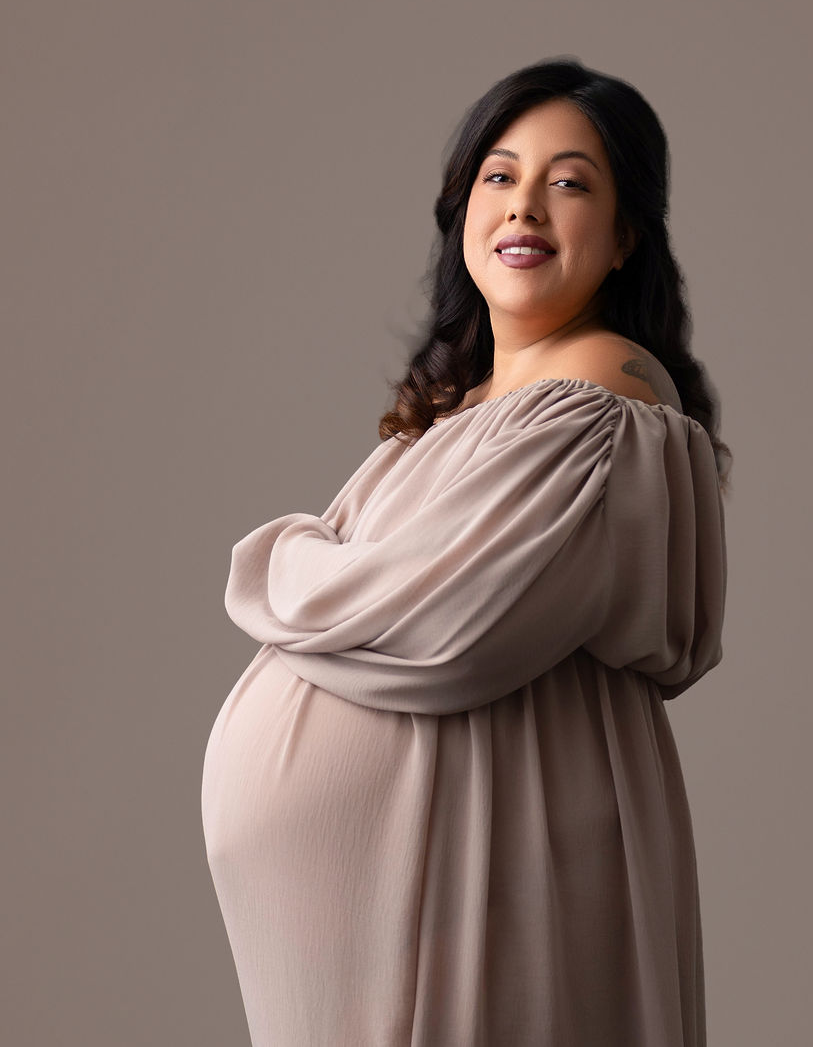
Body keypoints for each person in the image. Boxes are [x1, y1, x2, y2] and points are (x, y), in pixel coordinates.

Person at [201, 56, 731, 1047]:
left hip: (496, 865)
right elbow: (384, 599)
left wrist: (282, 557)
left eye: (569, 183)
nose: (525, 206)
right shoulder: (454, 416)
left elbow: (449, 626)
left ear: (624, 237)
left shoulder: (600, 397)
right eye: (499, 175)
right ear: (461, 208)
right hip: (399, 910)